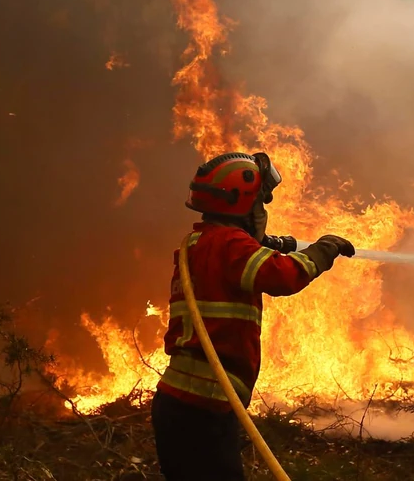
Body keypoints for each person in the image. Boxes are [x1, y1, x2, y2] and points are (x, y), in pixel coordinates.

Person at [150, 151, 355, 481]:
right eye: (261, 202)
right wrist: (321, 251)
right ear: (243, 203)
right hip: (205, 406)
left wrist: (271, 243)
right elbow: (280, 276)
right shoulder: (230, 244)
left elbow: (246, 259)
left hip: (181, 404)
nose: (262, 211)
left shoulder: (200, 243)